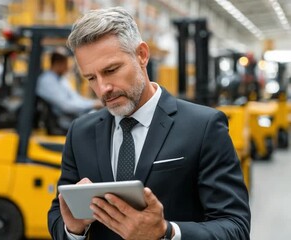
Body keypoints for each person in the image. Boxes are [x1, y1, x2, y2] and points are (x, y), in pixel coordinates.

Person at [48, 7, 250, 240]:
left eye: (111, 70)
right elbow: (58, 213)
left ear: (142, 55)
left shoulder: (203, 127)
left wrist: (166, 232)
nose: (103, 88)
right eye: (91, 78)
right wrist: (73, 229)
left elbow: (235, 228)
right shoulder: (80, 133)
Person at [36, 52, 102, 130]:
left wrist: (95, 103)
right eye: (66, 63)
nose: (68, 67)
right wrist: (93, 104)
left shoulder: (61, 79)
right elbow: (66, 106)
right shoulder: (47, 81)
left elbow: (76, 98)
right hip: (62, 121)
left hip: (71, 117)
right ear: (57, 64)